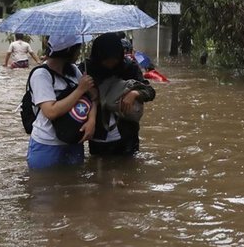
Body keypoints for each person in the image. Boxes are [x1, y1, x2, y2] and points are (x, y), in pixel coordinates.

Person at [27, 35, 97, 169]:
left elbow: (93, 97)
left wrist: (91, 121)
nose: (79, 53)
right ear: (69, 50)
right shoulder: (41, 75)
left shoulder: (73, 70)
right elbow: (51, 111)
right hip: (47, 144)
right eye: (77, 49)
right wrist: (80, 89)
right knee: (43, 185)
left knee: (73, 185)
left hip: (74, 139)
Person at [83, 33, 155, 156]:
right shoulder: (86, 69)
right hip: (98, 134)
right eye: (107, 60)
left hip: (127, 133)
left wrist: (134, 93)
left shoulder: (129, 67)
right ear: (99, 56)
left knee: (129, 171)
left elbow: (150, 91)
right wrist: (86, 90)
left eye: (115, 59)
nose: (111, 64)